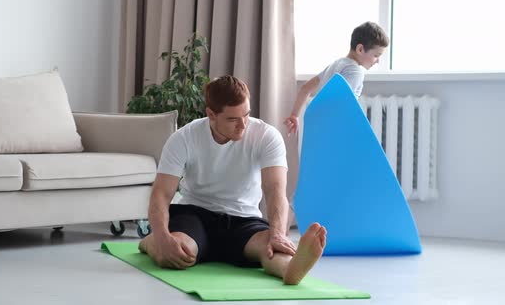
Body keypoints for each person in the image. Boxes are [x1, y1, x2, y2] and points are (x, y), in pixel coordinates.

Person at [139, 75, 327, 285]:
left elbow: (275, 191)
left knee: (271, 248)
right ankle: (151, 242)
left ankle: (290, 270)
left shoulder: (267, 136)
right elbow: (161, 194)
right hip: (196, 214)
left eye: (246, 115)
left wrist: (277, 234)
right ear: (211, 114)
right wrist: (163, 236)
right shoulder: (184, 138)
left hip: (243, 219)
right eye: (232, 119)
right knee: (180, 251)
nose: (243, 125)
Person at [284, 21, 389, 135]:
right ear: (360, 49)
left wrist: (294, 115)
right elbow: (341, 104)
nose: (378, 61)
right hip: (336, 130)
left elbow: (305, 88)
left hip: (320, 127)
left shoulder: (336, 64)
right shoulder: (355, 71)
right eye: (376, 55)